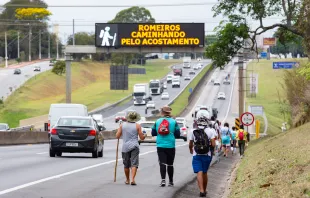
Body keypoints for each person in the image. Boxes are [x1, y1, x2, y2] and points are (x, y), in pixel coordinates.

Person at [152, 106, 180, 187]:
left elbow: (153, 133)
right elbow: (177, 134)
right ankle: (171, 182)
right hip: (171, 145)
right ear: (169, 112)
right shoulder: (174, 122)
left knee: (162, 163)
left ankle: (163, 180)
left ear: (162, 112)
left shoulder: (157, 121)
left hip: (160, 145)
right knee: (170, 164)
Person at [116, 112, 146, 186]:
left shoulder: (122, 125)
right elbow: (142, 138)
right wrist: (144, 135)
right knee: (134, 164)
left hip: (125, 147)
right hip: (135, 146)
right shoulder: (137, 126)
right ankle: (133, 179)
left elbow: (117, 136)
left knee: (126, 165)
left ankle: (127, 179)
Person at [189, 116, 215, 197]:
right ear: (206, 123)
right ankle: (205, 189)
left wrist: (191, 150)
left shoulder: (193, 131)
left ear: (197, 123)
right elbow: (213, 144)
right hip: (207, 155)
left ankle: (201, 190)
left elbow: (190, 144)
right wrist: (211, 151)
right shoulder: (210, 131)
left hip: (196, 154)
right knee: (204, 172)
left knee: (199, 172)